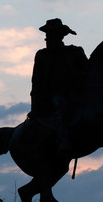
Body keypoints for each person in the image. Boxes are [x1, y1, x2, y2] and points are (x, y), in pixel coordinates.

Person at [30, 18, 88, 155]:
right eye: (47, 35)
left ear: (60, 36)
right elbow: (36, 83)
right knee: (60, 104)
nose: (48, 38)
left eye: (52, 35)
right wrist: (35, 106)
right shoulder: (42, 56)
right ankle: (64, 140)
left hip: (76, 94)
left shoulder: (74, 52)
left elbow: (88, 72)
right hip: (51, 98)